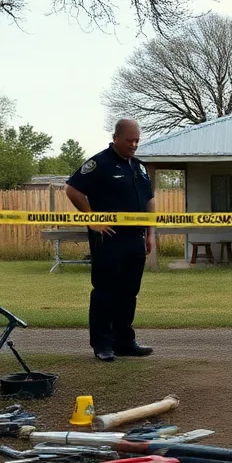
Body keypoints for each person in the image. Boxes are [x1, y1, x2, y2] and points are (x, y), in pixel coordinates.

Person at [65, 119, 155, 362]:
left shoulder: (139, 167)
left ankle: (124, 342)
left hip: (135, 239)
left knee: (129, 292)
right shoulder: (100, 163)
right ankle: (102, 345)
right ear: (115, 138)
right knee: (105, 292)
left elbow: (149, 201)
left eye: (137, 140)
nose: (134, 144)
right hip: (109, 239)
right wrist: (92, 219)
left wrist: (150, 234)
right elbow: (73, 189)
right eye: (129, 140)